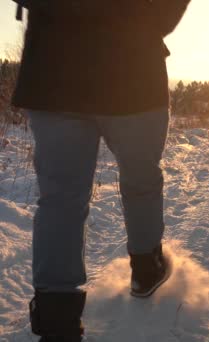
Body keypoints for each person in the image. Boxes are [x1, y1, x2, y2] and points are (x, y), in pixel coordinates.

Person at [11, 1, 190, 341]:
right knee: (141, 181)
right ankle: (146, 267)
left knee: (61, 199)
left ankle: (56, 317)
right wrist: (150, 24)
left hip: (54, 71)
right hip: (132, 70)